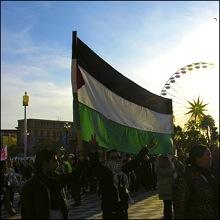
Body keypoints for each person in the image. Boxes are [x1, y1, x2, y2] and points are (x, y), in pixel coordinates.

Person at [89, 139, 157, 219]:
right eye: (113, 158)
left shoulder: (122, 170)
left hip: (123, 211)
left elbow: (135, 161)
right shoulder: (104, 173)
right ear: (107, 160)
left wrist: (147, 148)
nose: (117, 159)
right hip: (110, 212)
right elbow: (95, 165)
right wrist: (93, 151)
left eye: (118, 157)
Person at [20, 149, 84, 219]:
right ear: (45, 163)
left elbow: (74, 175)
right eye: (54, 161)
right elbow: (27, 214)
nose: (58, 163)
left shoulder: (56, 178)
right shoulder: (29, 187)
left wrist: (81, 160)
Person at [173, 144, 218, 219]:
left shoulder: (209, 174)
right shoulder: (186, 177)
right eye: (208, 155)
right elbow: (179, 207)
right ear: (198, 158)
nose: (211, 157)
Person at [155, 154, 176, 219]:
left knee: (176, 206)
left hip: (175, 185)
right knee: (167, 206)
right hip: (166, 186)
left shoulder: (174, 157)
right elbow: (158, 171)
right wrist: (172, 170)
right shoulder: (161, 158)